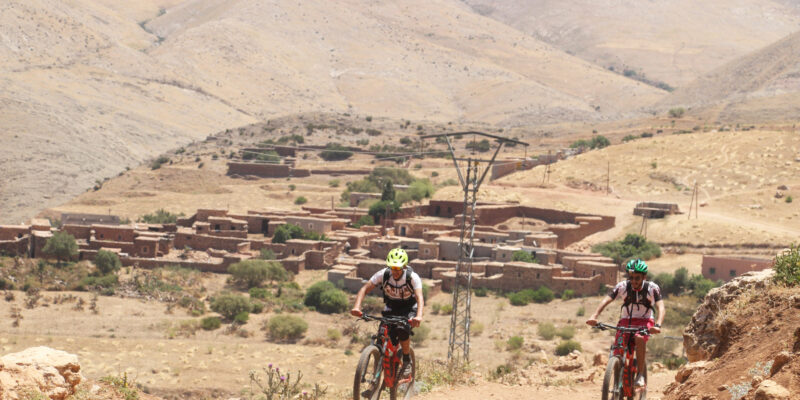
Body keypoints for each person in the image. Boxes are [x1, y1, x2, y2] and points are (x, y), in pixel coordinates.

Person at [586, 258, 665, 388]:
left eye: (637, 278)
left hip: (645, 321)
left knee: (639, 338)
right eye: (631, 277)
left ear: (644, 277)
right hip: (626, 321)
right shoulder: (622, 286)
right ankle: (618, 374)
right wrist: (595, 315)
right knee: (618, 349)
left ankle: (640, 375)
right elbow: (607, 299)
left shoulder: (652, 288)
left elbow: (661, 307)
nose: (633, 281)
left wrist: (658, 324)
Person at [351, 248, 424, 378]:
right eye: (392, 268)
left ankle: (407, 361)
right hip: (391, 308)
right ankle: (375, 379)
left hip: (409, 308)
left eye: (398, 268)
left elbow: (419, 297)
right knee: (381, 336)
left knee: (402, 329)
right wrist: (357, 307)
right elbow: (364, 289)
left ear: (404, 266)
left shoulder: (412, 277)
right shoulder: (383, 274)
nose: (395, 272)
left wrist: (418, 316)